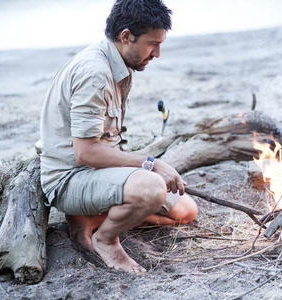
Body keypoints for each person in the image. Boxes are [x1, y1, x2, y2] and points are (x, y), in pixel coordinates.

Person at [35, 0, 198, 273]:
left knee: (186, 210)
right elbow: (85, 153)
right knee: (152, 187)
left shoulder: (118, 62)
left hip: (99, 173)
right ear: (126, 37)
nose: (157, 53)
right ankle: (106, 238)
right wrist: (151, 163)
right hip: (71, 178)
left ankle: (93, 219)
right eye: (152, 44)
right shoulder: (95, 73)